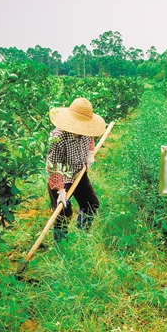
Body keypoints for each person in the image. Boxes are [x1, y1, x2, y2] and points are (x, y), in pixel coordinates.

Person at [46, 97, 106, 242]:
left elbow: (90, 139)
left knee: (91, 203)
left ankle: (83, 232)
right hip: (60, 176)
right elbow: (53, 166)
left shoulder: (87, 130)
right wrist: (60, 190)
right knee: (63, 212)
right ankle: (61, 241)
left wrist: (90, 153)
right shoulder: (58, 137)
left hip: (79, 172)